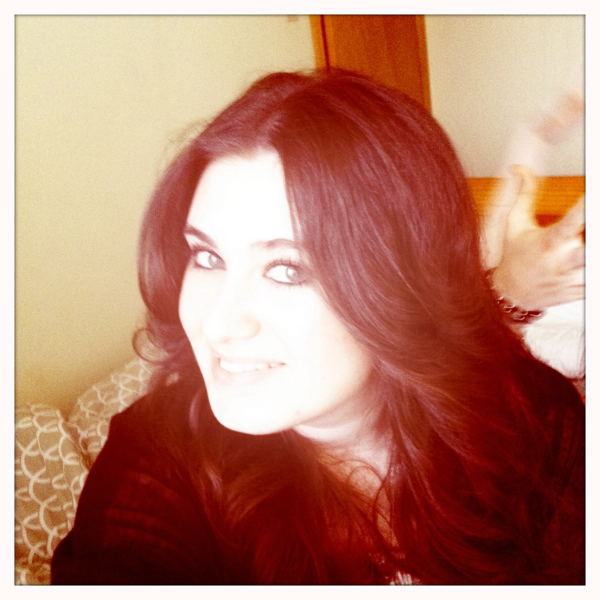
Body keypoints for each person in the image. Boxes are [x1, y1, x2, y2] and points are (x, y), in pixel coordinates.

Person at [51, 70, 584, 585]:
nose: (217, 323)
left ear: (403, 284)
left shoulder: (535, 428)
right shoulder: (157, 458)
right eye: (207, 257)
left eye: (287, 269)